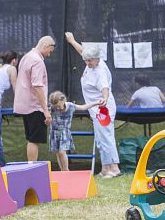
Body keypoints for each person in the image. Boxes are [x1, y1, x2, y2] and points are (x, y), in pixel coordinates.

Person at [65, 32, 121, 178]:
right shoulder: (91, 61)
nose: (87, 63)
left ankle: (114, 168)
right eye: (86, 61)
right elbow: (82, 51)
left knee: (106, 136)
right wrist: (72, 41)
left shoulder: (100, 70)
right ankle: (105, 168)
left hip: (103, 108)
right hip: (95, 109)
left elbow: (105, 88)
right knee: (100, 138)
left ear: (97, 59)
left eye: (90, 61)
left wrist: (105, 98)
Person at [13, 36, 56, 162]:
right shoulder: (37, 61)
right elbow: (37, 86)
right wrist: (45, 110)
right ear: (46, 45)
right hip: (34, 106)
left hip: (24, 104)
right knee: (34, 140)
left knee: (31, 139)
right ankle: (32, 168)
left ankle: (30, 166)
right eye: (50, 51)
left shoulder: (26, 57)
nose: (49, 54)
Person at [48, 91, 100, 171]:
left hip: (64, 132)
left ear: (63, 100)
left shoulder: (71, 106)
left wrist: (96, 103)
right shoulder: (52, 107)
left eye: (58, 106)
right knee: (58, 153)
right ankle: (62, 170)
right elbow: (45, 113)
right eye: (56, 107)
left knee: (62, 152)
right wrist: (47, 118)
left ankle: (66, 170)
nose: (57, 108)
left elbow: (83, 107)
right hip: (54, 133)